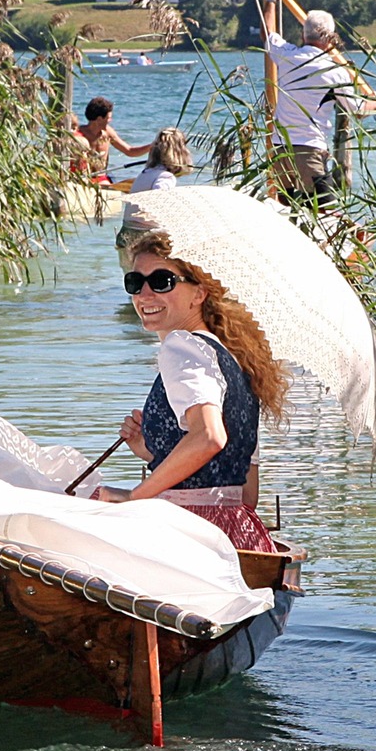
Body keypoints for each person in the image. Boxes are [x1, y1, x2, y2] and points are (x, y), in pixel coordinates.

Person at [96, 231, 290, 553]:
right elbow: (246, 494)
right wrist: (152, 450)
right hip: (237, 532)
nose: (144, 294)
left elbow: (209, 437)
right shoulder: (237, 361)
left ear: (199, 293)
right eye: (135, 282)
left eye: (162, 281)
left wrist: (134, 496)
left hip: (185, 535)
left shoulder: (180, 346)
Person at [262, 8, 376, 208]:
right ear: (331, 38)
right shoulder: (335, 72)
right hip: (308, 150)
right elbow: (358, 110)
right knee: (327, 214)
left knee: (291, 211)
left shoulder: (287, 55)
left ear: (303, 35)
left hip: (279, 151)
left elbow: (267, 32)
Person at [115, 128, 194, 266]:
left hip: (126, 234)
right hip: (144, 238)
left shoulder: (146, 173)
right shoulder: (166, 177)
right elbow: (159, 197)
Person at [76, 96, 153, 183]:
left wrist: (152, 146)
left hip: (102, 177)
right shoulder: (79, 135)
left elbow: (130, 151)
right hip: (84, 179)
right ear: (99, 119)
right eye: (108, 118)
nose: (110, 121)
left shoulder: (108, 133)